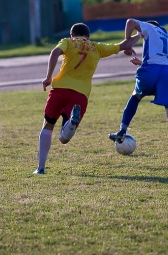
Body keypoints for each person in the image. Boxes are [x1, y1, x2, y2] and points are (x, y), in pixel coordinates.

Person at [33, 23, 140, 174]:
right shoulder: (96, 47)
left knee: (48, 126)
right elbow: (125, 44)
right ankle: (71, 122)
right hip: (80, 95)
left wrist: (49, 76)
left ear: (72, 35)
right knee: (64, 139)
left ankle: (41, 168)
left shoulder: (68, 42)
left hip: (59, 89)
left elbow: (55, 52)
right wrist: (141, 34)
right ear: (88, 37)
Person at [108, 18, 168, 168]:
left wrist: (127, 43)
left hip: (150, 71)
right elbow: (161, 60)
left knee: (136, 96)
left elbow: (130, 21)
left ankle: (122, 131)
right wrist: (142, 62)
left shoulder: (148, 28)